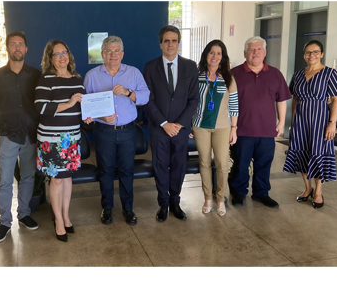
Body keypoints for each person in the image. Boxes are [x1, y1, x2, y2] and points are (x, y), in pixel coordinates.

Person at [84, 35, 150, 226]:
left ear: (122, 54)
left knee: (127, 171)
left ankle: (128, 209)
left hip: (128, 131)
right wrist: (100, 117)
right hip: (104, 131)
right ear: (102, 54)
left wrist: (128, 93)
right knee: (105, 171)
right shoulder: (92, 76)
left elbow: (145, 97)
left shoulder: (134, 73)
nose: (112, 55)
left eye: (116, 51)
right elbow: (86, 106)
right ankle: (107, 208)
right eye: (108, 51)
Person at [34, 40, 93, 242]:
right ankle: (58, 221)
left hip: (72, 139)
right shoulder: (46, 79)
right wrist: (68, 103)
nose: (62, 57)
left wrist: (87, 115)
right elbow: (41, 108)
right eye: (57, 54)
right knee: (57, 179)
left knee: (67, 178)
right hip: (51, 140)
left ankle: (66, 216)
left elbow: (82, 107)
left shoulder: (77, 79)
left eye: (64, 52)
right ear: (50, 58)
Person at [0, 31, 41, 243]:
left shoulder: (36, 75)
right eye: (13, 44)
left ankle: (24, 214)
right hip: (8, 135)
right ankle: (4, 222)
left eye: (21, 44)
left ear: (26, 49)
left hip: (30, 134)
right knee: (5, 180)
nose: (17, 48)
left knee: (28, 177)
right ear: (7, 48)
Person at [143, 25, 199, 222]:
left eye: (174, 40)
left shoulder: (191, 66)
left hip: (181, 129)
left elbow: (194, 99)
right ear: (160, 44)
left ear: (179, 43)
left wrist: (180, 124)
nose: (170, 44)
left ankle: (175, 202)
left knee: (179, 166)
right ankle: (163, 204)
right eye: (166, 40)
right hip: (159, 129)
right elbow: (147, 99)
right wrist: (164, 123)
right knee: (160, 166)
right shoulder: (150, 67)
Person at [229, 36, 292, 208]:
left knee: (264, 164)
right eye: (251, 50)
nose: (255, 53)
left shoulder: (275, 74)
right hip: (242, 130)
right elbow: (227, 102)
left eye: (259, 49)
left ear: (264, 52)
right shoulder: (234, 74)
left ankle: (261, 193)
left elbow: (281, 100)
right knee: (240, 165)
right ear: (245, 53)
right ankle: (238, 193)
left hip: (266, 130)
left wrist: (281, 123)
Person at [283, 40, 337, 208]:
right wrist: (293, 120)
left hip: (320, 121)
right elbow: (294, 98)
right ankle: (307, 188)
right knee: (302, 153)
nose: (312, 55)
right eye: (308, 52)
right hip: (300, 121)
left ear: (322, 54)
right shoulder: (297, 75)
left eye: (316, 52)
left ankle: (318, 192)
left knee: (318, 154)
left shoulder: (330, 74)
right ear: (304, 55)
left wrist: (332, 123)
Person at [192, 40, 238, 216]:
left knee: (222, 163)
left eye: (219, 53)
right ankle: (207, 198)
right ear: (206, 55)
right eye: (212, 52)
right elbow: (191, 102)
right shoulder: (197, 77)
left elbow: (234, 105)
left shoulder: (228, 78)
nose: (215, 56)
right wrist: (190, 123)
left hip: (222, 127)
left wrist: (234, 127)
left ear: (223, 57)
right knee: (204, 162)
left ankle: (220, 199)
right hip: (200, 126)